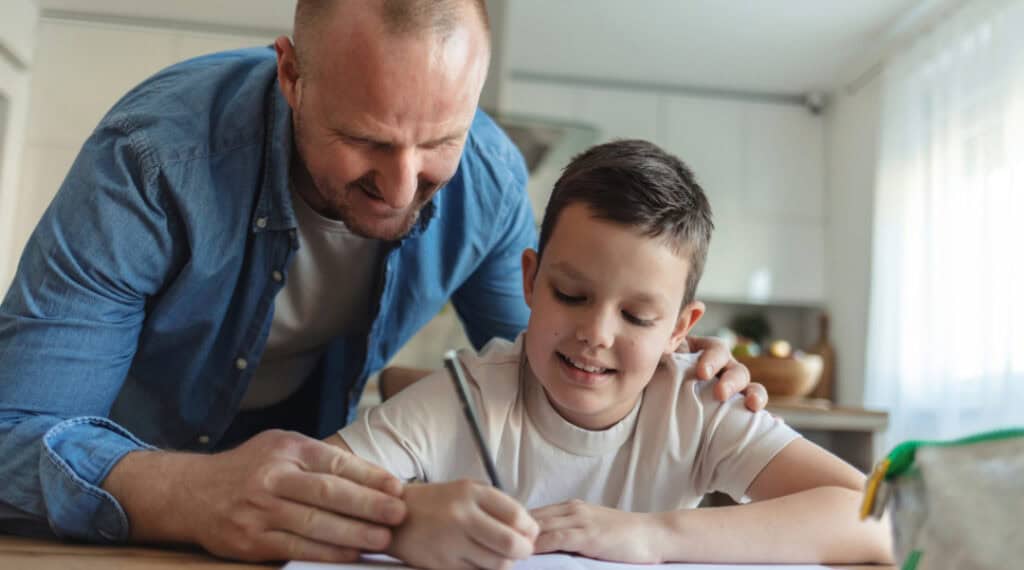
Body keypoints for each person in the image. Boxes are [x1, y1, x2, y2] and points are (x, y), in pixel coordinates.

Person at [0, 0, 766, 563]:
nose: (403, 187)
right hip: (131, 511)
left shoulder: (491, 182)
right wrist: (192, 494)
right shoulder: (154, 159)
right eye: (366, 140)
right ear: (293, 75)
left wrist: (671, 371)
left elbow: (548, 374)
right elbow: (13, 439)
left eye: (440, 141)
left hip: (321, 528)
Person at [332, 139, 893, 569]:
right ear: (530, 280)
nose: (596, 333)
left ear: (680, 327)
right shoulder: (466, 397)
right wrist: (405, 518)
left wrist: (653, 536)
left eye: (637, 317)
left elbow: (881, 518)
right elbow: (303, 487)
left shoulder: (699, 403)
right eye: (570, 295)